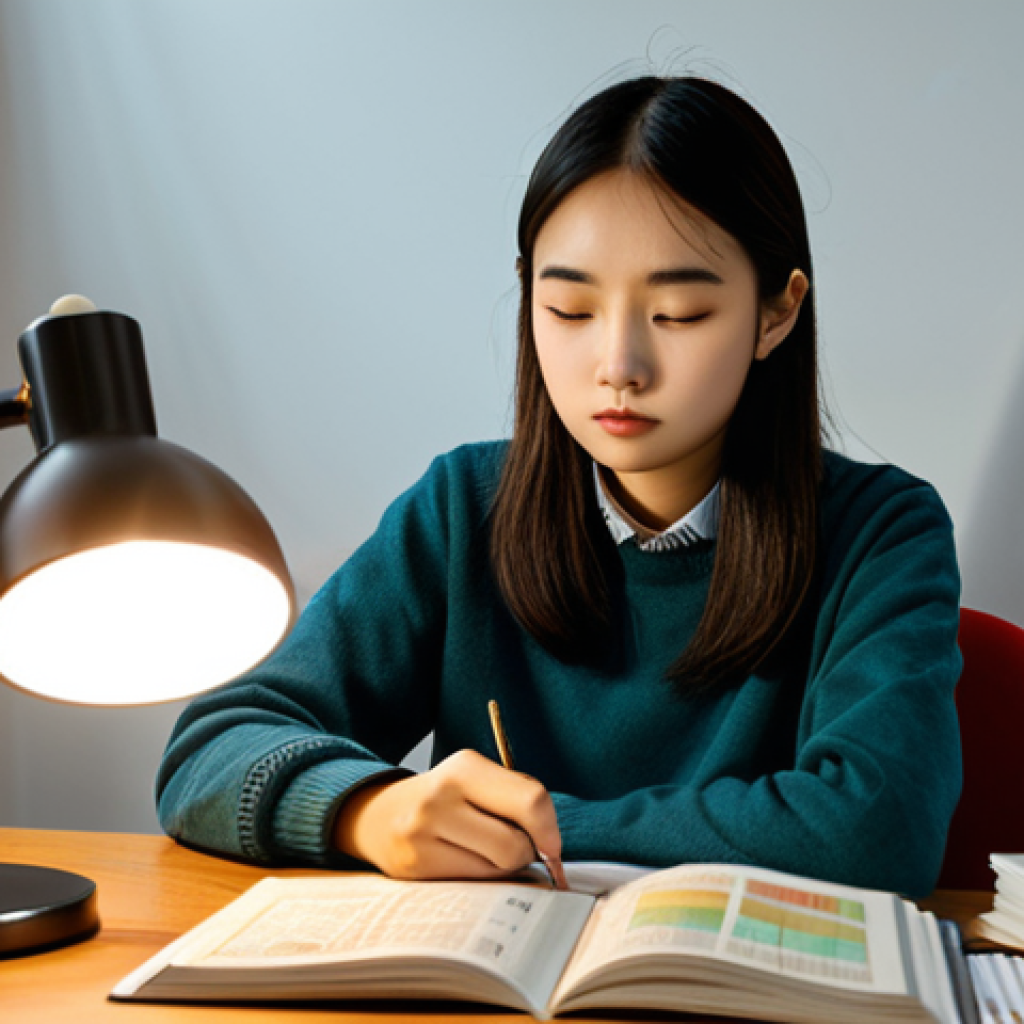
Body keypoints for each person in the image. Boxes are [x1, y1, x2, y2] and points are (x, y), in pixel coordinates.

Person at [156, 75, 962, 901]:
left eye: (679, 313)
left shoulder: (881, 532)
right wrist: (368, 809)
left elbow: (879, 830)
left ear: (777, 313)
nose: (619, 367)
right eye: (570, 310)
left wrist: (542, 830)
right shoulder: (464, 508)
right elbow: (210, 750)